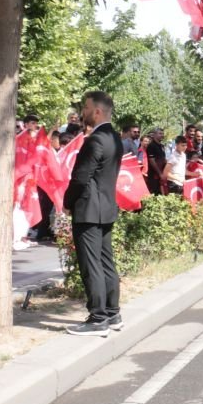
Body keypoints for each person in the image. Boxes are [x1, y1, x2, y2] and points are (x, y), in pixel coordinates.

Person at [64, 91, 123, 337]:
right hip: (106, 208)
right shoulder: (115, 138)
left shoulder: (95, 140)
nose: (83, 112)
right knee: (105, 261)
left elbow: (80, 177)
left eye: (86, 107)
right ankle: (112, 313)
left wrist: (67, 202)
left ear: (97, 111)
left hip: (89, 210)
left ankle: (98, 318)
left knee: (91, 264)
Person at [144, 127, 167, 195]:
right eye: (160, 133)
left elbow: (163, 159)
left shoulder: (162, 146)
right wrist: (160, 174)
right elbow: (152, 161)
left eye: (162, 134)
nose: (162, 135)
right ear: (154, 135)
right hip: (154, 175)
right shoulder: (151, 146)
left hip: (162, 174)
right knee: (155, 193)